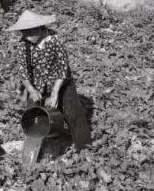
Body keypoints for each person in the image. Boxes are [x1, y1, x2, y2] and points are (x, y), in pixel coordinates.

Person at [7, 10, 92, 151]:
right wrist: (31, 90)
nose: (25, 36)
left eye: (28, 32)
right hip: (38, 84)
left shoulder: (54, 40)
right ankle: (35, 151)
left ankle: (84, 148)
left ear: (40, 29)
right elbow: (23, 71)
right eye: (23, 32)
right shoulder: (24, 44)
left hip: (61, 82)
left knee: (73, 112)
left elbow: (62, 68)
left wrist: (54, 93)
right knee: (33, 116)